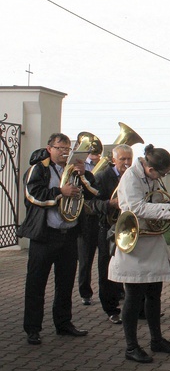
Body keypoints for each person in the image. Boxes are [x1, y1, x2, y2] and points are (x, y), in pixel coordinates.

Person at [109, 145, 170, 363]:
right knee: (134, 297)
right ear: (149, 167)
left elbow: (155, 201)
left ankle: (156, 339)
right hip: (135, 243)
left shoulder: (151, 176)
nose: (162, 178)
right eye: (161, 173)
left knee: (155, 293)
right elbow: (135, 208)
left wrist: (169, 204)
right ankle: (131, 346)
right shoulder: (130, 178)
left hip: (151, 238)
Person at [18, 133, 96, 345]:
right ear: (49, 148)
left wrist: (84, 175)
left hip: (68, 235)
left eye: (67, 148)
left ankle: (63, 323)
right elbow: (32, 195)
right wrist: (60, 192)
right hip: (45, 236)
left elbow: (92, 194)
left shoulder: (73, 170)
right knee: (36, 284)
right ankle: (33, 328)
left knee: (65, 283)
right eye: (60, 148)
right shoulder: (39, 168)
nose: (64, 152)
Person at [89, 144, 133, 324]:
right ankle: (111, 309)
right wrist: (110, 203)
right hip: (107, 227)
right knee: (107, 268)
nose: (127, 162)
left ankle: (137, 308)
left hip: (128, 227)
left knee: (132, 266)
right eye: (122, 159)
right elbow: (91, 204)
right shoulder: (101, 177)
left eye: (129, 158)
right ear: (113, 160)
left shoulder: (133, 176)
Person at [78, 149, 102, 306]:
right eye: (93, 152)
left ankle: (112, 291)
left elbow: (97, 192)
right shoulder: (75, 169)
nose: (96, 155)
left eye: (98, 152)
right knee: (85, 259)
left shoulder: (97, 170)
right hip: (85, 218)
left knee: (105, 258)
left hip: (98, 218)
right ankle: (85, 292)